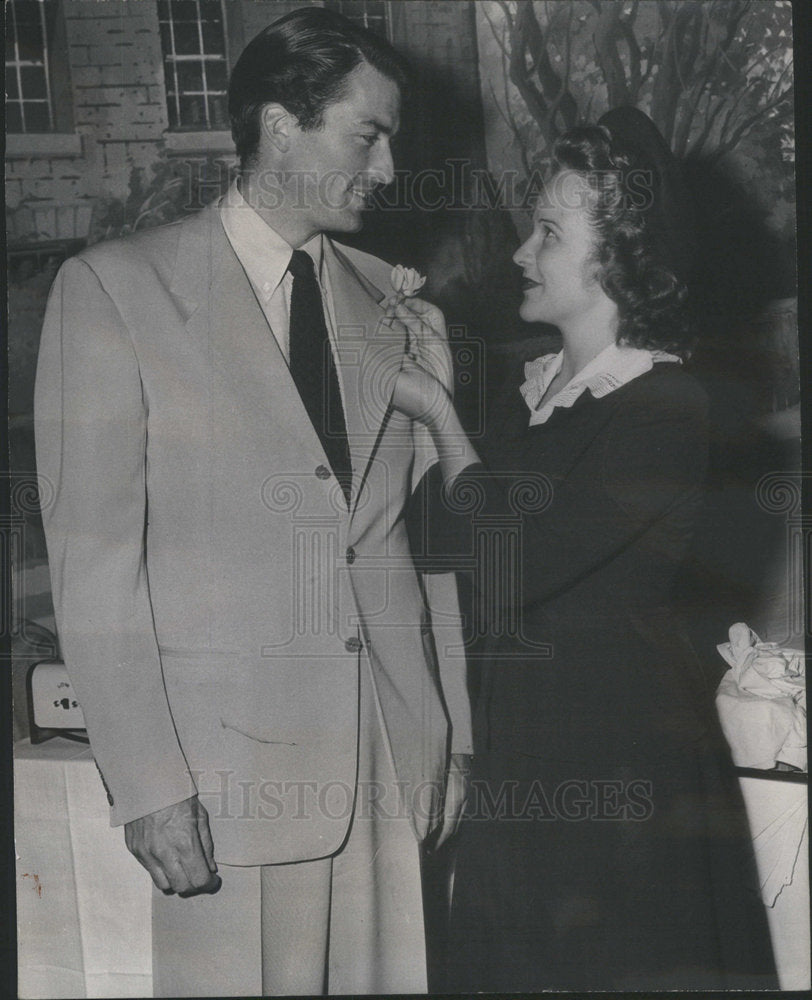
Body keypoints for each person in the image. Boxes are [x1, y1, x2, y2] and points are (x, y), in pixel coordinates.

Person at [34, 7, 471, 996]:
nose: (392, 169)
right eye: (370, 134)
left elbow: (393, 540)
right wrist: (148, 785)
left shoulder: (390, 302)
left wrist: (450, 732)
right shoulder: (114, 291)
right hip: (228, 780)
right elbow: (96, 564)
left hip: (389, 766)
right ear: (280, 124)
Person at [390, 108, 778, 990]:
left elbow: (515, 562)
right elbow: (431, 531)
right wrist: (441, 401)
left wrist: (446, 418)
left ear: (615, 258)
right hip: (523, 762)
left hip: (622, 781)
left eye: (550, 232)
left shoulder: (666, 407)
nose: (524, 252)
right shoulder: (535, 398)